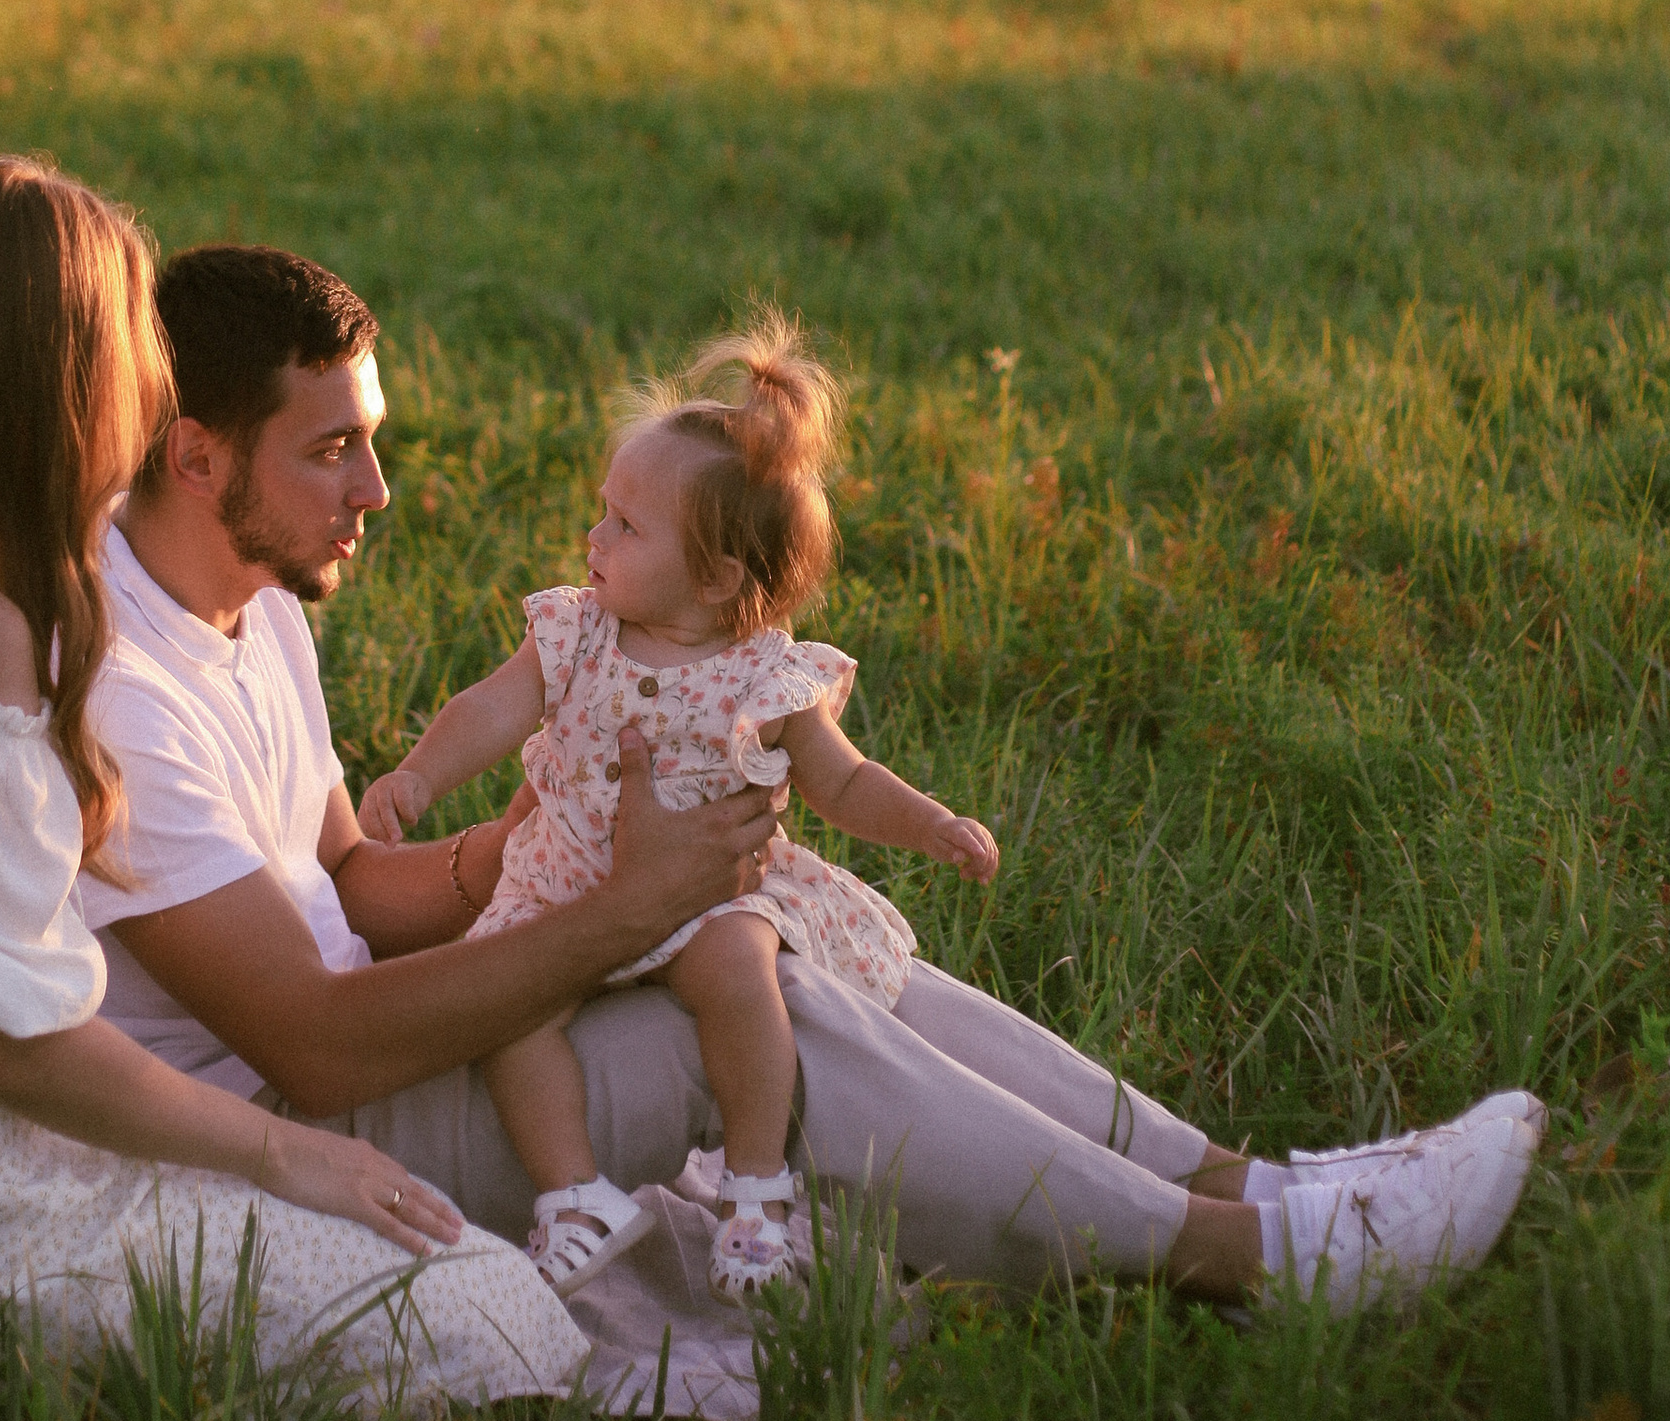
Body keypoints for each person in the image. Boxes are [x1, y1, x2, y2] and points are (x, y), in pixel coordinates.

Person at [87, 243, 1546, 1318]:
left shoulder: (253, 598)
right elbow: (319, 1044)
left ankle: (1258, 1184)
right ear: (202, 459)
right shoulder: (119, 691)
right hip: (292, 1139)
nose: (379, 493)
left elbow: (347, 883)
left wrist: (512, 850)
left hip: (386, 1034)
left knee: (798, 939)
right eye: (335, 449)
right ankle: (1267, 1270)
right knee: (740, 996)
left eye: (375, 440)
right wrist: (618, 910)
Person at [0, 158, 584, 1411]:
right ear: (53, 384)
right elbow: (18, 1054)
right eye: (126, 352)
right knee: (495, 1318)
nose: (151, 391)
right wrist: (284, 1155)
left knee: (451, 1288)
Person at [358, 314, 1003, 1297]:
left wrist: (930, 824)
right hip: (565, 878)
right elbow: (490, 708)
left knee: (740, 974)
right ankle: (573, 1194)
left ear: (716, 578)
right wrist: (418, 774)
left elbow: (843, 782)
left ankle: (756, 1190)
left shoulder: (763, 679)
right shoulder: (574, 632)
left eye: (623, 526)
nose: (592, 538)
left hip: (706, 888)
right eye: (601, 512)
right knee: (506, 1012)